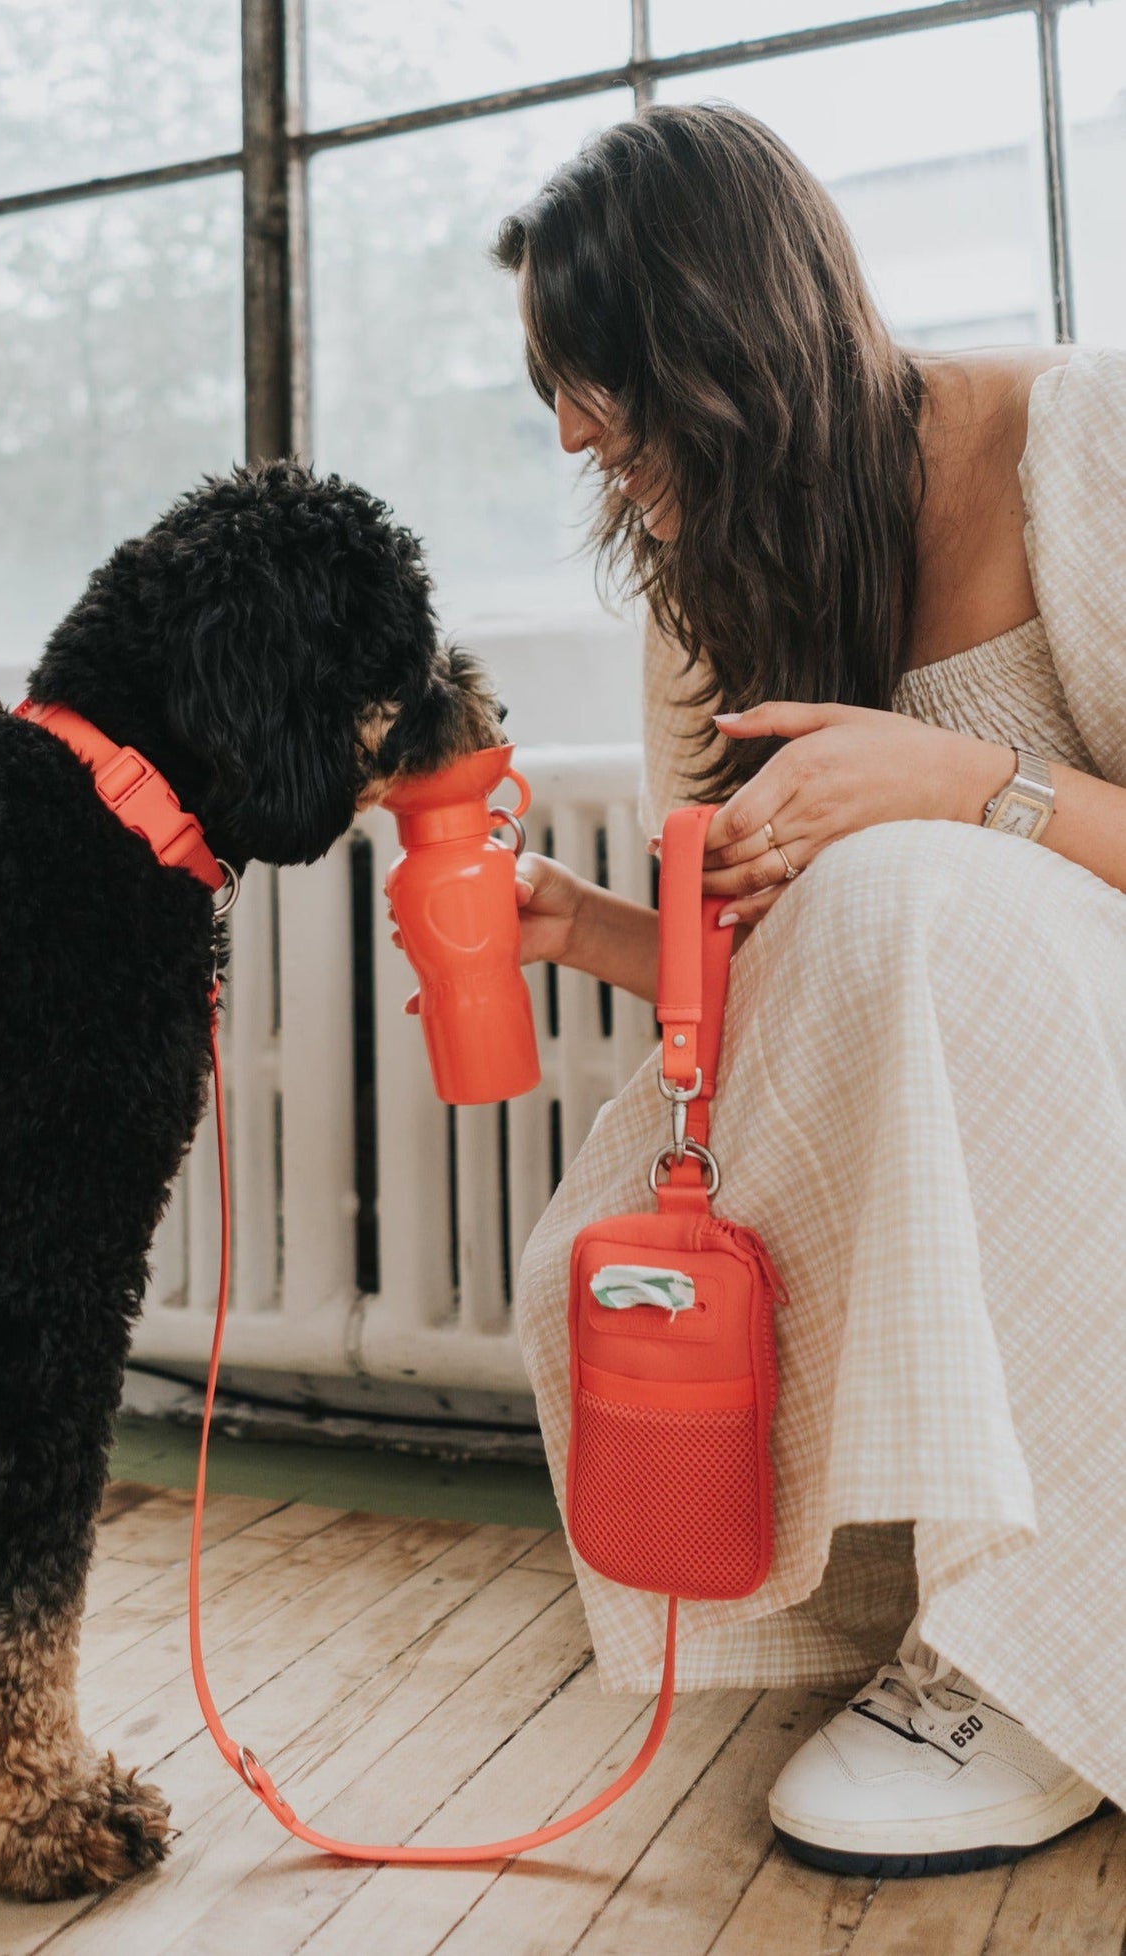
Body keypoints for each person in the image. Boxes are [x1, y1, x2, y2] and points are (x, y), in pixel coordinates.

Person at [489, 104, 1126, 1878]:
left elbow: (896, 888)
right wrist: (596, 930)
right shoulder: (712, 576)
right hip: (950, 1029)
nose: (564, 429)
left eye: (590, 373)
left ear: (719, 341)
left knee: (906, 890)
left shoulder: (1080, 440)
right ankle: (940, 1576)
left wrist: (963, 789)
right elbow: (765, 953)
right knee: (602, 1230)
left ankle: (1037, 1646)